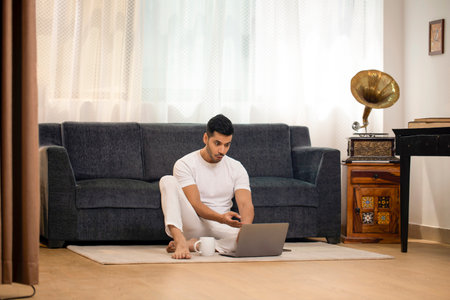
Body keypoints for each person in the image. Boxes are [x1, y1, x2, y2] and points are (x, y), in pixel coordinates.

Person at [159, 114, 254, 259]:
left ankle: (195, 245)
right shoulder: (185, 164)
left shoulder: (237, 167)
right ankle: (179, 240)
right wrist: (221, 218)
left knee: (250, 240)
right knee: (167, 181)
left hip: (222, 228)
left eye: (227, 145)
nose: (222, 150)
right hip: (195, 223)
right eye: (217, 143)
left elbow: (245, 203)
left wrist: (245, 233)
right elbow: (195, 204)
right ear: (205, 138)